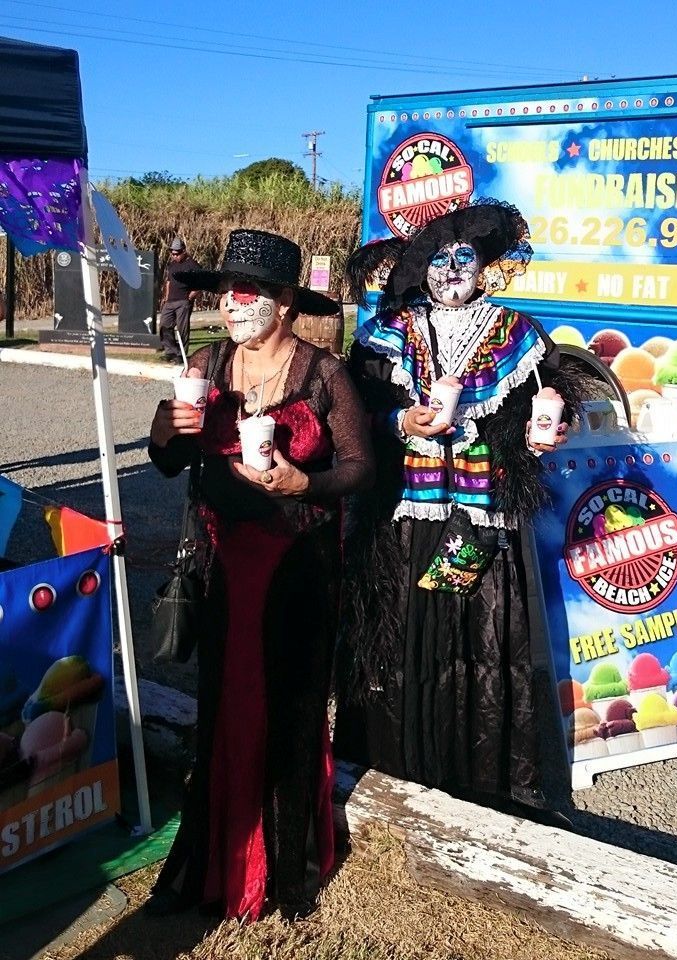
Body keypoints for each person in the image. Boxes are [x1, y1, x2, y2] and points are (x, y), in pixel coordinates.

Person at [334, 200, 595, 823]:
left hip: (482, 520)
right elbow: (347, 419)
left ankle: (481, 776)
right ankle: (394, 761)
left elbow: (547, 405)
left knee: (481, 644)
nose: (452, 270)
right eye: (440, 260)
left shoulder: (517, 333)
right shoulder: (385, 336)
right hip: (403, 516)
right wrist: (398, 419)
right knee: (401, 639)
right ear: (420, 269)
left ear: (483, 266)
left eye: (465, 258)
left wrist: (544, 431)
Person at [145, 229, 374, 922]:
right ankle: (211, 864)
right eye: (226, 291)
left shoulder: (323, 373)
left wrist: (304, 482)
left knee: (291, 710)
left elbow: (363, 469)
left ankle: (286, 869)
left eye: (247, 292)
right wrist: (169, 426)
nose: (232, 303)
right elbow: (165, 463)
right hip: (221, 564)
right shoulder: (209, 362)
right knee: (222, 708)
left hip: (300, 568)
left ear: (282, 303)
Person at [158, 237, 201, 361]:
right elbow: (168, 282)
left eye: (176, 253)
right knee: (164, 326)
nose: (174, 256)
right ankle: (170, 351)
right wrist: (166, 298)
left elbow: (201, 283)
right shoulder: (172, 265)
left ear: (183, 251)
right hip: (170, 301)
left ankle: (181, 355)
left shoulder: (192, 265)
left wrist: (190, 297)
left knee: (182, 329)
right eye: (172, 253)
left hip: (183, 301)